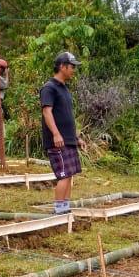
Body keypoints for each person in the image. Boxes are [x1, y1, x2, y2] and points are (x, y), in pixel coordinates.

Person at [40, 51, 82, 214]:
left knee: (70, 175)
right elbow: (47, 112)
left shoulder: (64, 89)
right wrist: (56, 134)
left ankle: (65, 209)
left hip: (68, 140)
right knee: (63, 175)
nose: (73, 70)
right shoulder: (49, 88)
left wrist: (76, 137)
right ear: (62, 67)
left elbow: (67, 116)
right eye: (72, 66)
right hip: (57, 141)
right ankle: (58, 212)